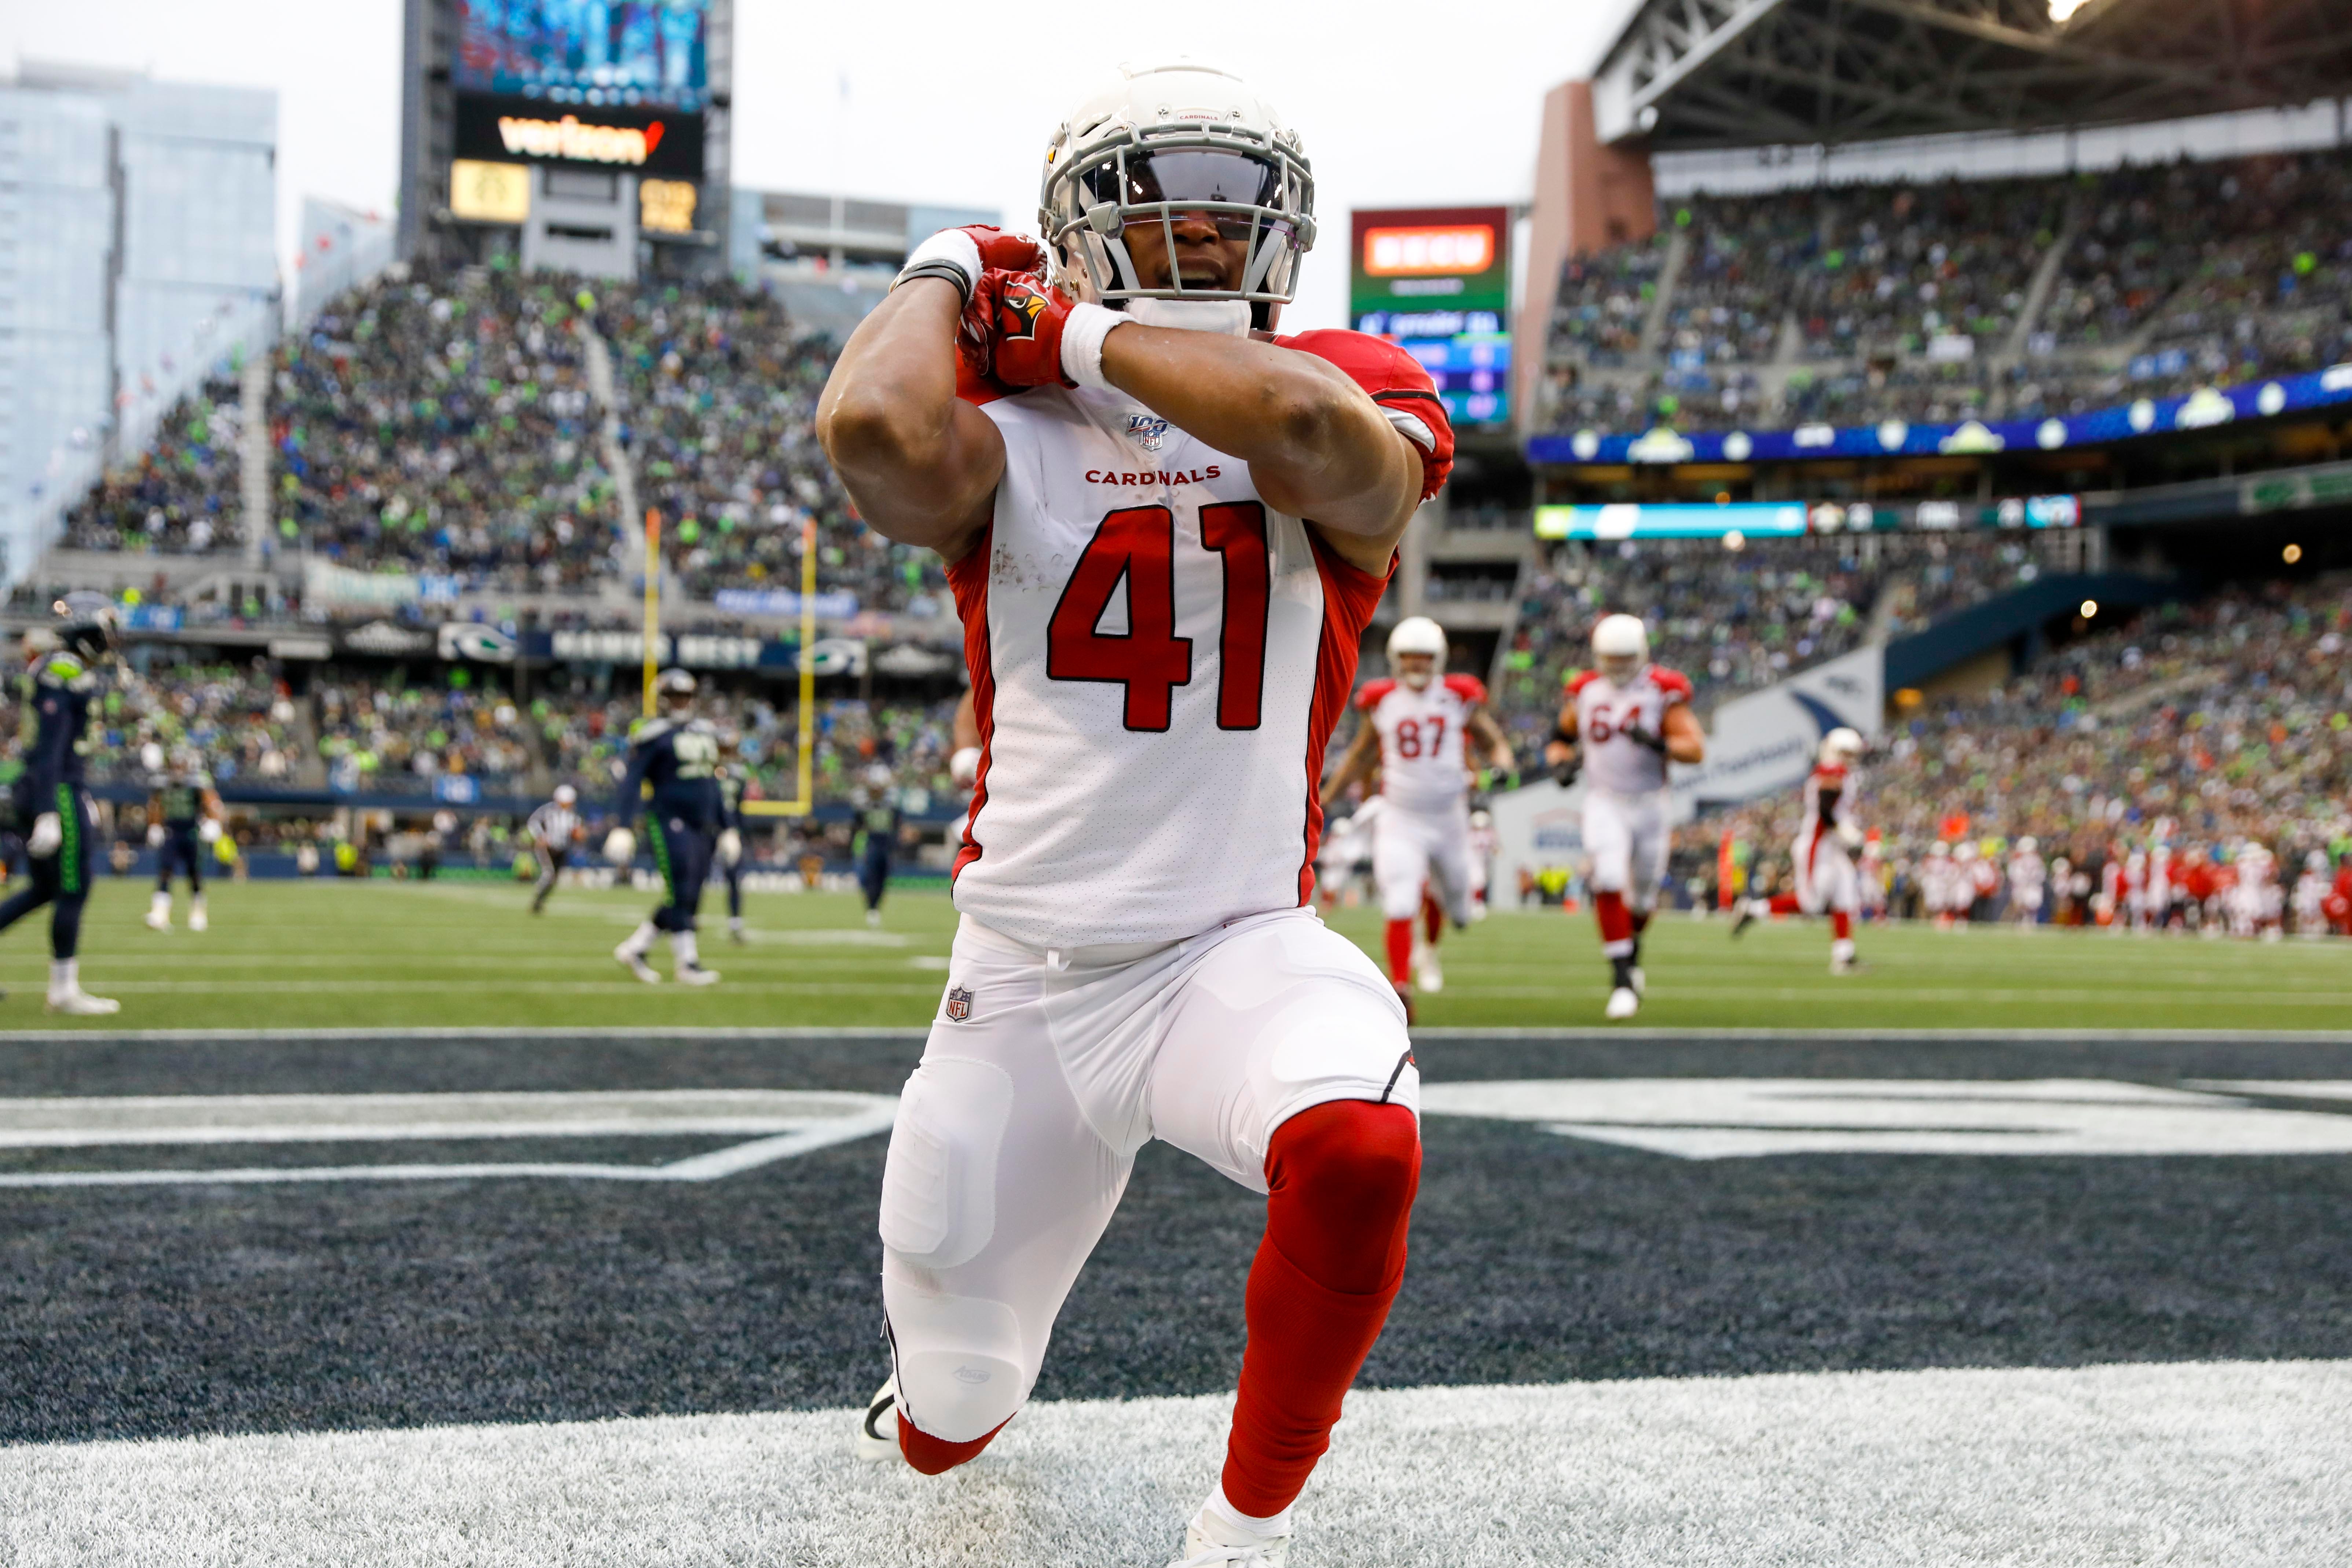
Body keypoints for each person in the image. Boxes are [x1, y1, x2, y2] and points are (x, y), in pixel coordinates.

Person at [815, 60, 1454, 1567]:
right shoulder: (1006, 422)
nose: (1207, 232)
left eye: (1235, 206)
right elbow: (872, 441)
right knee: (947, 1422)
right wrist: (945, 271)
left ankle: (1239, 1533)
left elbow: (1308, 437)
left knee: (1359, 1149)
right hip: (1028, 979)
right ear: (1075, 226)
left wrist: (1085, 332)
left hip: (1233, 946)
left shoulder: (1343, 371)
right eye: (1163, 203)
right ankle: (930, 1396)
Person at [1319, 617, 1513, 1015]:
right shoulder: (1383, 700)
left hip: (1449, 817)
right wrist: (1323, 798)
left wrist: (1503, 764)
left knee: (1460, 907)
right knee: (1401, 901)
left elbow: (1494, 741)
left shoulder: (1459, 697)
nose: (1417, 665)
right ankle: (1402, 988)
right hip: (1400, 816)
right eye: (1409, 657)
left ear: (1438, 660)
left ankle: (1431, 947)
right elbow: (1360, 756)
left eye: (1424, 658)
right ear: (1395, 659)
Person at [1544, 614, 1704, 1020]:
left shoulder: (1661, 691)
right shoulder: (1584, 691)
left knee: (1646, 894)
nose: (1617, 667)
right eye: (1610, 659)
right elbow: (1559, 739)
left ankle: (1631, 954)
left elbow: (1695, 748)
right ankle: (1621, 980)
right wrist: (1561, 764)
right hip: (1604, 799)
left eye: (1624, 658)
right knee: (1610, 879)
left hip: (1651, 802)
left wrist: (1658, 743)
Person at [0, 595, 121, 1012]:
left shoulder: (52, 666)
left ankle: (64, 988)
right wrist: (51, 810)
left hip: (43, 785)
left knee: (44, 889)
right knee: (74, 886)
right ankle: (63, 990)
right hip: (56, 788)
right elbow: (51, 747)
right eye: (105, 629)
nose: (109, 639)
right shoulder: (64, 669)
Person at [605, 669, 722, 986]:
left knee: (690, 895)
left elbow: (713, 783)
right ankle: (687, 963)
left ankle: (636, 948)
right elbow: (632, 781)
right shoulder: (653, 734)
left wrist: (727, 827)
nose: (681, 702)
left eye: (685, 696)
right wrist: (624, 825)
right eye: (674, 696)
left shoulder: (705, 732)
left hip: (701, 823)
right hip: (668, 818)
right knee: (681, 888)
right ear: (662, 699)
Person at [144, 744, 223, 932]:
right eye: (175, 763)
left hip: (191, 831)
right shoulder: (162, 782)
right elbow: (155, 805)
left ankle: (198, 912)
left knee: (194, 874)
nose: (178, 767)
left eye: (181, 763)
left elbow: (212, 802)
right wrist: (154, 826)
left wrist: (213, 823)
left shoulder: (197, 781)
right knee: (165, 870)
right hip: (171, 830)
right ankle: (160, 913)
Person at [851, 763, 900, 930]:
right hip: (870, 844)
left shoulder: (891, 807)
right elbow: (856, 827)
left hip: (885, 845)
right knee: (869, 878)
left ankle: (876, 908)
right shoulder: (864, 806)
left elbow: (896, 827)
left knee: (882, 879)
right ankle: (871, 908)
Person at [525, 784, 583, 915]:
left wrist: (579, 835)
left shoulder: (573, 814)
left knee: (554, 878)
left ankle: (539, 902)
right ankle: (538, 897)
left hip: (562, 848)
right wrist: (541, 837)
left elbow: (577, 831)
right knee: (549, 874)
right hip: (548, 848)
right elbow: (533, 822)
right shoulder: (548, 810)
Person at [716, 732, 750, 943]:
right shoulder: (707, 771)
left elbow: (739, 807)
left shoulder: (739, 774)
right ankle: (687, 919)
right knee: (695, 875)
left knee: (734, 878)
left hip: (730, 830)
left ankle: (735, 923)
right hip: (709, 829)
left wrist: (738, 831)